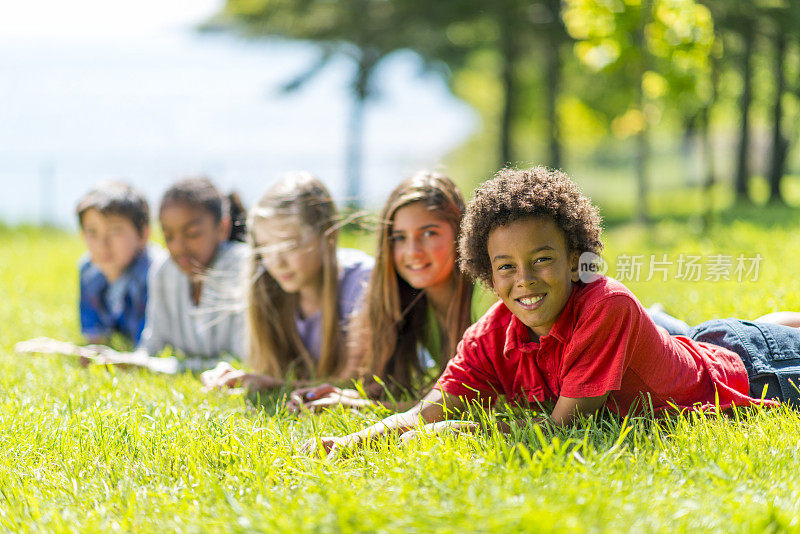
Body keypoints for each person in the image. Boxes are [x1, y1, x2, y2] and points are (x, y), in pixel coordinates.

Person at [303, 166, 798, 458]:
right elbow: (426, 410)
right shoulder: (487, 336)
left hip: (756, 373)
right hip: (707, 342)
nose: (525, 280)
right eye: (506, 267)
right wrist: (355, 442)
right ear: (487, 274)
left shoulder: (606, 305)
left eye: (542, 260)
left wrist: (462, 432)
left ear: (574, 259)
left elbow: (567, 427)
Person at [292, 171, 487, 411]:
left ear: (460, 234)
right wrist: (346, 396)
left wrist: (360, 406)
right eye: (399, 238)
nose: (412, 251)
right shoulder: (414, 305)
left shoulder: (485, 299)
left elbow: (476, 404)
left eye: (429, 233)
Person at [18, 176, 248, 374]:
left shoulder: (241, 267)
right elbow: (148, 349)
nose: (179, 247)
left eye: (193, 233)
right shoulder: (166, 270)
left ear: (223, 228)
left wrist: (155, 364)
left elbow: (246, 360)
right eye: (168, 236)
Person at [201, 173, 373, 391]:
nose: (276, 262)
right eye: (265, 248)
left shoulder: (362, 282)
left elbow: (355, 383)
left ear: (328, 234)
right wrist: (238, 376)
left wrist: (271, 384)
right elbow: (270, 369)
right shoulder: (269, 288)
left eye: (289, 245)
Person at [76, 181, 165, 345]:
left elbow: (149, 347)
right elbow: (95, 339)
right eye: (92, 232)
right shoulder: (89, 270)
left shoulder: (156, 273)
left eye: (115, 231)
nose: (102, 244)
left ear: (143, 234)